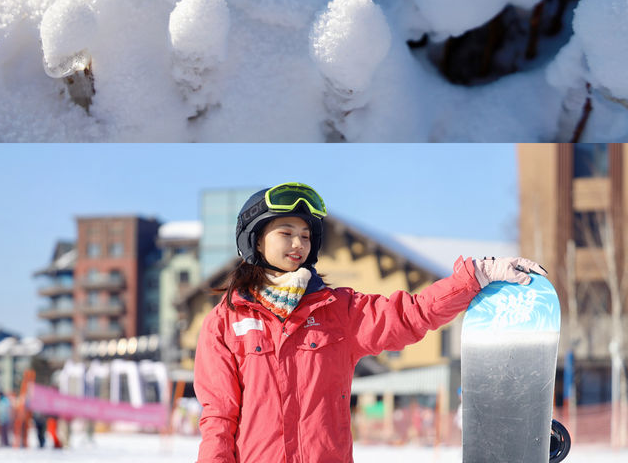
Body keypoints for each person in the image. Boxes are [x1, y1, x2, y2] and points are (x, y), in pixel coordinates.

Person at [193, 182, 546, 463]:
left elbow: (412, 313)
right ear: (255, 239)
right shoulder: (225, 323)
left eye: (305, 235)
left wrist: (474, 276)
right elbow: (219, 417)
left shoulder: (340, 311)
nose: (298, 243)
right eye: (286, 233)